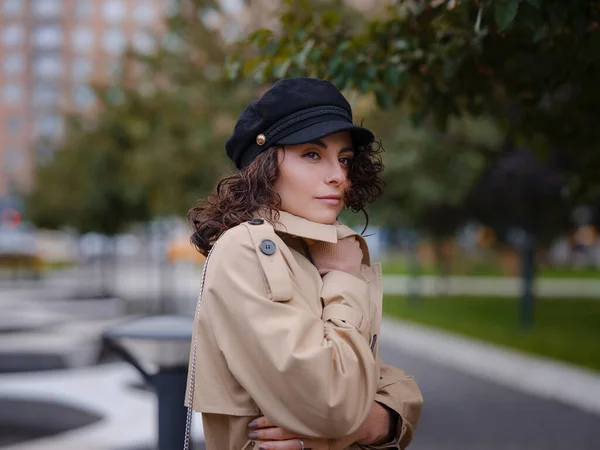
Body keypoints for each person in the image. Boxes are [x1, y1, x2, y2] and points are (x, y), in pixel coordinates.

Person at [185, 78, 423, 450]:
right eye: (312, 154)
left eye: (344, 159)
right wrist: (343, 278)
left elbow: (391, 384)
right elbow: (336, 401)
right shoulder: (247, 250)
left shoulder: (314, 248)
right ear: (263, 165)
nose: (338, 176)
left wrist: (378, 421)